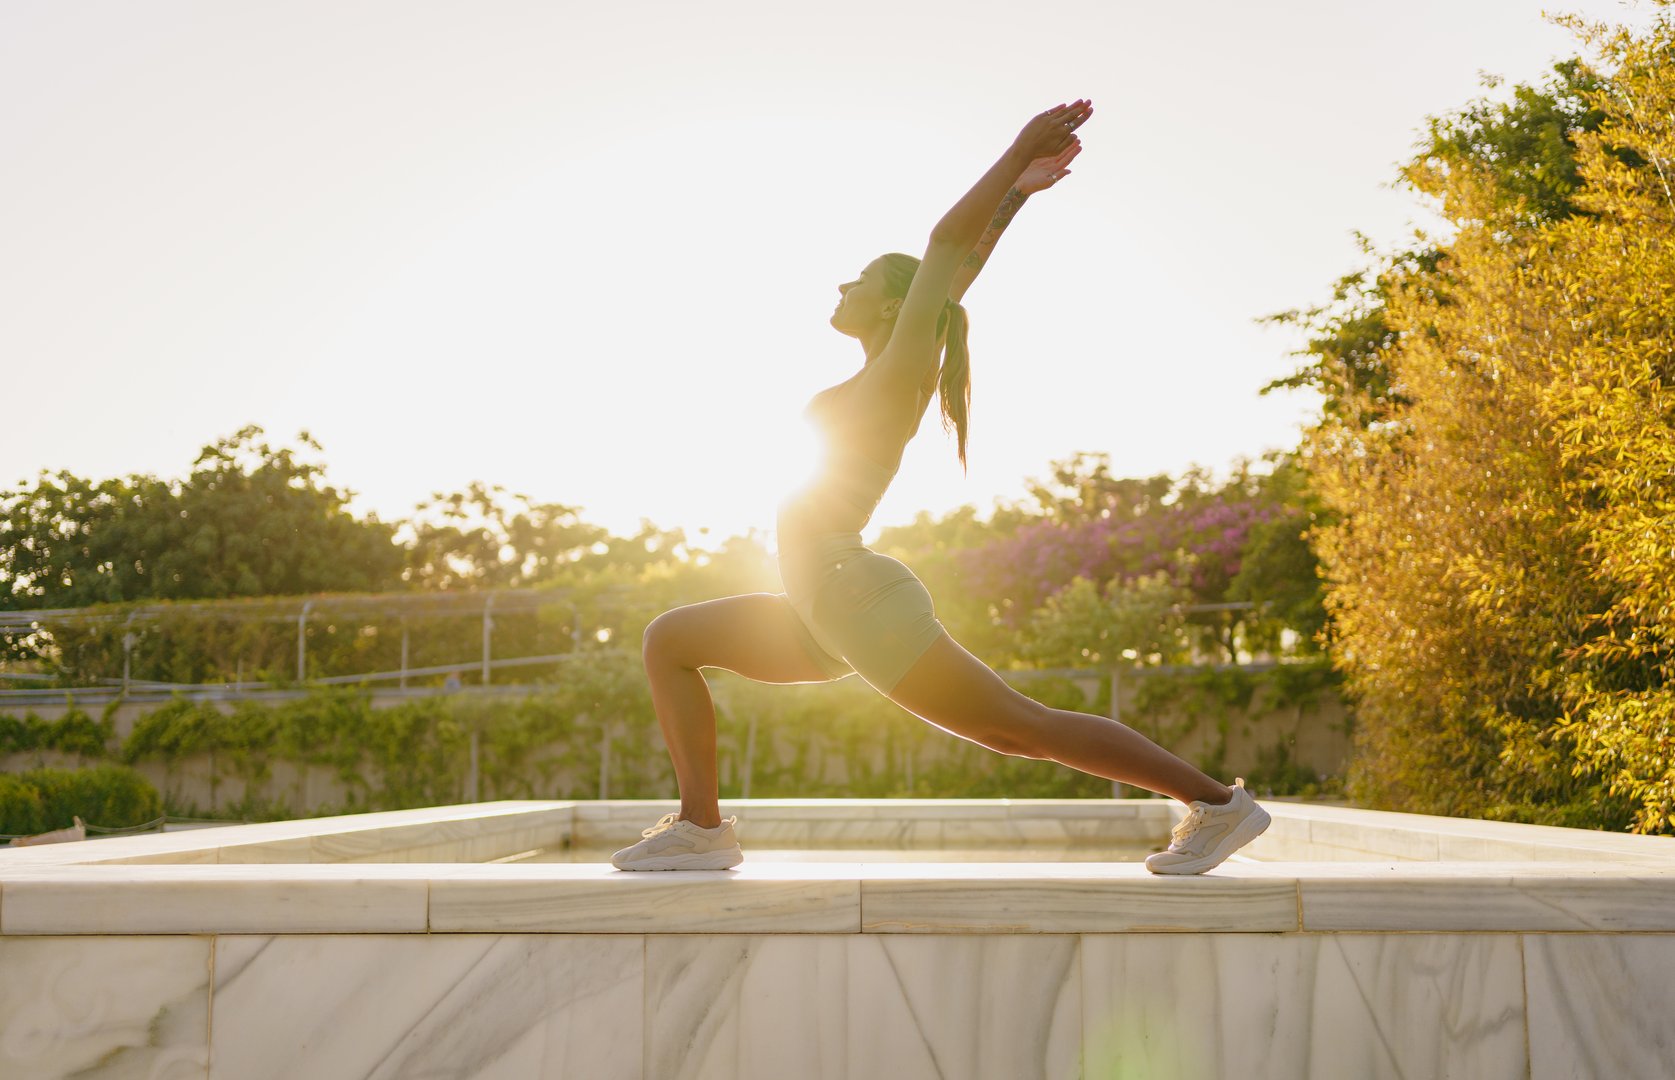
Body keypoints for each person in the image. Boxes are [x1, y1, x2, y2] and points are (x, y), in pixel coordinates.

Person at [615, 99, 1269, 875]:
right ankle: (701, 828)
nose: (841, 282)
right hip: (815, 611)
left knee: (1018, 727)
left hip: (849, 592)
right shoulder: (877, 372)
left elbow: (943, 252)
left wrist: (1013, 152)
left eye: (857, 278)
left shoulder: (898, 373)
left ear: (895, 303)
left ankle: (1217, 805)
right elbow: (957, 267)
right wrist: (1018, 194)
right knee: (671, 640)